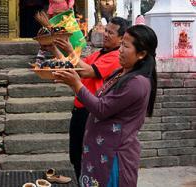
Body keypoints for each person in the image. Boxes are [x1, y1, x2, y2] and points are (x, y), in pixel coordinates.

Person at [53, 24, 158, 187]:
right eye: (121, 44)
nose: (120, 50)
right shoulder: (120, 72)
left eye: (126, 46)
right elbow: (81, 73)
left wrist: (76, 84)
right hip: (98, 150)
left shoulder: (137, 83)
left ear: (142, 54)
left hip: (113, 156)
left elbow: (101, 109)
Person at [48, 17, 128, 181]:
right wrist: (54, 49)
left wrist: (70, 49)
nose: (105, 34)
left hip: (91, 112)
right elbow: (74, 67)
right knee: (77, 157)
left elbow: (86, 71)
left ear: (121, 39)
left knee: (88, 159)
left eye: (110, 33)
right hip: (79, 110)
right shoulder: (99, 53)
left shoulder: (115, 58)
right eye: (106, 30)